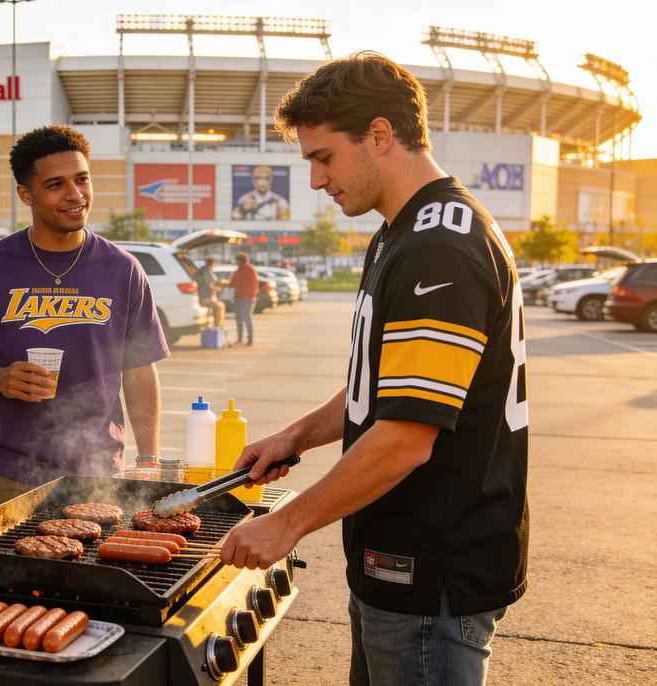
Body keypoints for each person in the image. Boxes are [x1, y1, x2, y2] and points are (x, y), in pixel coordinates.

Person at [221, 52, 529, 686]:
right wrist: (295, 437)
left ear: (381, 136)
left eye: (324, 157)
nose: (314, 181)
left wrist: (286, 524)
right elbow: (390, 385)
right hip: (397, 563)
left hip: (432, 573)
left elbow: (407, 438)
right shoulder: (401, 231)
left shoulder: (440, 244)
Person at [0, 125, 169, 514]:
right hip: (6, 470)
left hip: (97, 471)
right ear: (25, 194)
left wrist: (149, 461)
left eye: (82, 179)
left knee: (90, 573)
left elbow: (139, 371)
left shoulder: (122, 269)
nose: (75, 195)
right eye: (56, 185)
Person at [229, 253, 259, 345]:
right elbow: (232, 283)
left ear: (241, 261)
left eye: (237, 261)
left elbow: (254, 285)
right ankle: (240, 339)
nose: (236, 263)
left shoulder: (250, 269)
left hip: (248, 298)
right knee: (239, 319)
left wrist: (250, 296)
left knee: (247, 318)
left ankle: (250, 339)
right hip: (238, 297)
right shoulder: (238, 271)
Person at [195, 257, 226, 328]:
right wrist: (217, 288)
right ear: (211, 263)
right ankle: (217, 326)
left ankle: (216, 325)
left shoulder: (205, 270)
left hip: (207, 295)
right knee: (219, 306)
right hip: (205, 297)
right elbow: (209, 285)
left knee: (220, 305)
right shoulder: (206, 271)